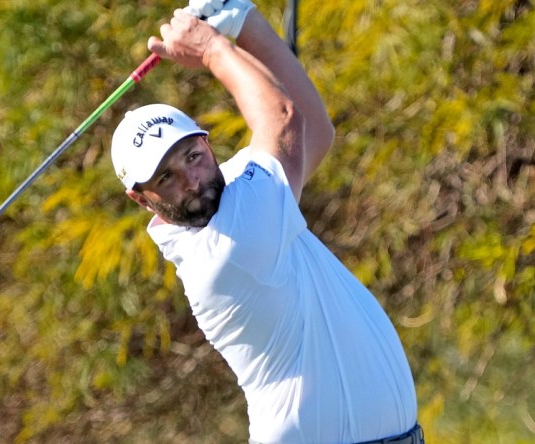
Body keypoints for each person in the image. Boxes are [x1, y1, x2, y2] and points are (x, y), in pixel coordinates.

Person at [110, 1, 423, 443]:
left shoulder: (239, 191)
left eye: (193, 157)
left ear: (206, 141)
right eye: (166, 177)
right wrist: (213, 48)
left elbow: (312, 130)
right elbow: (281, 119)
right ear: (141, 199)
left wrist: (241, 20)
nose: (192, 180)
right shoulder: (220, 254)